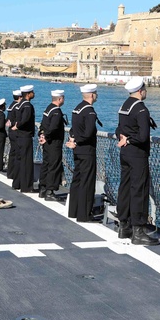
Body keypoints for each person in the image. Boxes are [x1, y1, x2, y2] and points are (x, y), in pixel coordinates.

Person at [116, 76, 158, 246]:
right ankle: (138, 230)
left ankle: (124, 225)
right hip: (137, 154)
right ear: (141, 91)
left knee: (125, 187)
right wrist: (131, 139)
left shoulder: (124, 106)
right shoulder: (140, 109)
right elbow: (142, 136)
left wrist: (124, 138)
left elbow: (119, 128)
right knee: (139, 190)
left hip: (125, 153)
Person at [67, 84, 100, 222]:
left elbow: (73, 129)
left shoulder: (77, 108)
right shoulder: (90, 111)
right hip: (87, 150)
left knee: (77, 180)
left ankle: (73, 211)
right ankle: (84, 214)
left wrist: (73, 140)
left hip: (78, 151)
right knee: (87, 182)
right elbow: (89, 133)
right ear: (92, 95)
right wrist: (77, 141)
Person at [37, 89, 67, 201]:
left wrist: (42, 135)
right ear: (60, 99)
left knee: (46, 164)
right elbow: (53, 128)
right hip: (54, 143)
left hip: (47, 143)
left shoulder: (48, 109)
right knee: (54, 166)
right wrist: (47, 136)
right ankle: (50, 191)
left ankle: (43, 188)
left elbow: (43, 125)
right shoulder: (57, 112)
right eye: (63, 98)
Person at [10, 85, 36, 192]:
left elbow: (15, 118)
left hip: (18, 136)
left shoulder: (18, 105)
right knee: (26, 161)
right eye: (32, 92)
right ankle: (26, 186)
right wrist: (18, 125)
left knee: (18, 159)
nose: (33, 93)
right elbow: (25, 120)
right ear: (28, 94)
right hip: (25, 135)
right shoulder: (27, 106)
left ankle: (17, 183)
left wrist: (15, 125)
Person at [5, 89, 21, 179]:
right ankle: (14, 173)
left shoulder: (11, 105)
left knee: (12, 152)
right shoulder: (17, 106)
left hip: (11, 131)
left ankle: (10, 172)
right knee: (15, 153)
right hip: (15, 131)